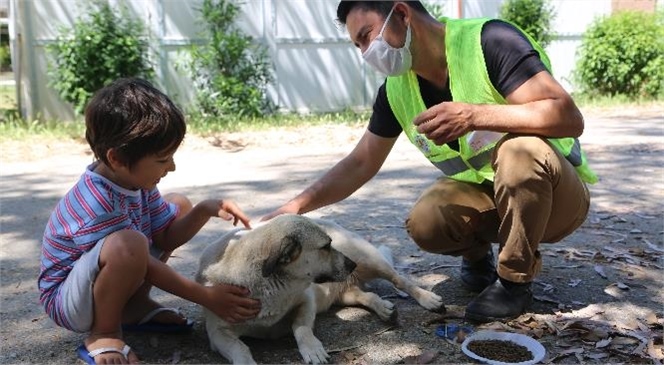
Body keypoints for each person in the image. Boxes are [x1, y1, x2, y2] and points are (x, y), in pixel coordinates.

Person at [263, 1, 597, 323]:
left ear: (403, 14)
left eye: (367, 36)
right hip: (495, 198)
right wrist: (292, 209)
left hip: (556, 201)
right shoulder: (397, 91)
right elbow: (360, 162)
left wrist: (476, 115)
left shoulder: (490, 42)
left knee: (519, 151)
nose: (366, 52)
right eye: (357, 45)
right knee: (427, 220)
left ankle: (514, 283)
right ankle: (477, 257)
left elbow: (568, 116)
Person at [38, 78, 261, 364]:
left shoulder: (135, 183)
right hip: (69, 301)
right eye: (162, 159)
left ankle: (133, 308)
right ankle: (104, 331)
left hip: (101, 282)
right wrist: (206, 296)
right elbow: (142, 261)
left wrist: (205, 209)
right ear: (117, 158)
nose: (172, 167)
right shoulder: (94, 200)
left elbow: (165, 238)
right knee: (129, 244)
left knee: (178, 204)